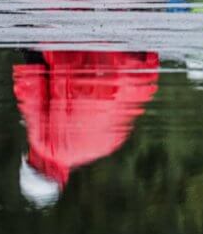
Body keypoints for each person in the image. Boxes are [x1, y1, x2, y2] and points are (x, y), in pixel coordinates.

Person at [14, 50, 160, 208]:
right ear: (31, 164)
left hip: (135, 63)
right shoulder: (43, 145)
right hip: (81, 54)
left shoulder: (105, 148)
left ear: (61, 181)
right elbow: (31, 82)